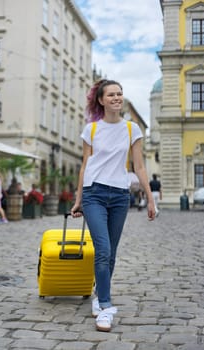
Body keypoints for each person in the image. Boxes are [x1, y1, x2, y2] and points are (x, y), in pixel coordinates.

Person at [71, 79, 156, 332]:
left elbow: (139, 167)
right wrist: (78, 199)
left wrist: (150, 198)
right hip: (94, 193)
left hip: (120, 196)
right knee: (103, 249)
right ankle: (105, 306)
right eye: (111, 94)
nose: (117, 98)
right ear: (101, 100)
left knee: (111, 252)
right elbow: (85, 166)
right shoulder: (91, 130)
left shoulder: (132, 130)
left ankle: (100, 292)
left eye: (120, 94)